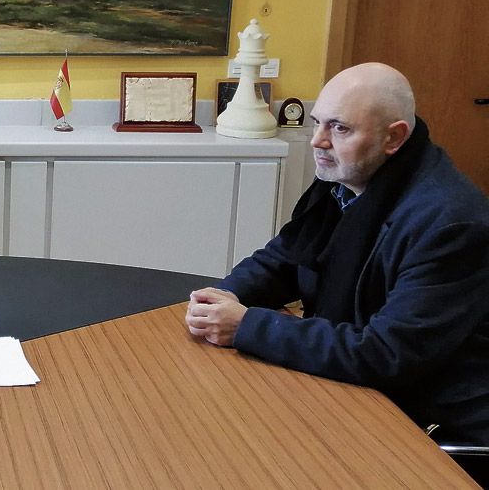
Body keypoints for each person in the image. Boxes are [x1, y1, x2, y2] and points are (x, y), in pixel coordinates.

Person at [185, 63, 489, 449]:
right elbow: (287, 258)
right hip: (361, 391)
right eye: (318, 123)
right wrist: (219, 299)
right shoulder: (355, 172)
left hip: (431, 424)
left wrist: (246, 326)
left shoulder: (451, 225)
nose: (318, 141)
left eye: (340, 128)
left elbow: (387, 354)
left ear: (394, 137)